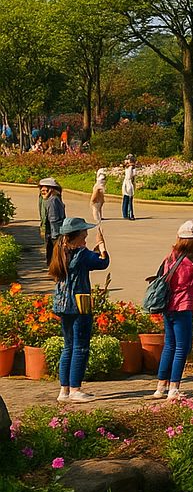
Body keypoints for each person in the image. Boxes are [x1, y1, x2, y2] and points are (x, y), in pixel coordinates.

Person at [49, 216, 109, 403]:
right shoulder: (82, 254)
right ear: (75, 236)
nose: (86, 235)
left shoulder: (60, 250)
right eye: (84, 233)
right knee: (81, 347)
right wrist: (102, 246)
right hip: (79, 305)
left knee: (68, 347)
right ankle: (76, 389)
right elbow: (102, 262)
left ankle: (64, 390)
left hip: (62, 304)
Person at [153, 221, 193, 400]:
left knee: (169, 345)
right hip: (183, 307)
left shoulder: (169, 258)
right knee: (181, 347)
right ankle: (174, 388)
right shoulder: (189, 265)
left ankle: (160, 387)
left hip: (168, 306)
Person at [39, 177, 65, 263]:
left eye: (45, 188)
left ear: (52, 189)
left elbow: (54, 219)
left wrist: (56, 236)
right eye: (41, 188)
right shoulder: (48, 200)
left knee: (53, 256)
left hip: (54, 232)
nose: (42, 190)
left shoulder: (52, 200)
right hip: (52, 233)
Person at [120, 155, 137, 220]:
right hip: (129, 184)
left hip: (126, 184)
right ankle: (130, 215)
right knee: (130, 200)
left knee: (125, 199)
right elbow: (133, 177)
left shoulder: (127, 167)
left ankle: (125, 214)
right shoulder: (132, 168)